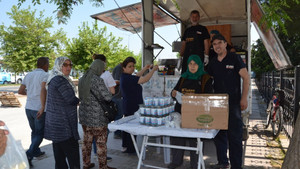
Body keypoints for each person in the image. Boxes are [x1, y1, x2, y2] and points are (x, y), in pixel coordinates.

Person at [207, 34, 250, 169]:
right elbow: (205, 79)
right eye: (214, 44)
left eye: (220, 43)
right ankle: (223, 163)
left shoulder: (234, 58)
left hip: (234, 104)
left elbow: (246, 78)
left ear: (226, 44)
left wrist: (244, 98)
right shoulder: (213, 62)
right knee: (218, 135)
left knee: (235, 137)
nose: (217, 46)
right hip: (217, 104)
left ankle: (236, 166)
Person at [168, 55, 213, 169]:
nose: (192, 66)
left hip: (196, 113)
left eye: (195, 64)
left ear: (200, 65)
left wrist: (192, 99)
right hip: (180, 113)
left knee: (195, 140)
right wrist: (173, 93)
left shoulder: (205, 78)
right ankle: (176, 161)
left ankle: (195, 164)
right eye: (190, 64)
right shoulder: (183, 77)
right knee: (177, 137)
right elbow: (175, 92)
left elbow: (208, 97)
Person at [78, 59, 116, 169]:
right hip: (98, 117)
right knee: (101, 143)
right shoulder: (98, 80)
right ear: (98, 68)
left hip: (84, 116)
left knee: (86, 142)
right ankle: (103, 166)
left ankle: (86, 164)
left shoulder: (81, 79)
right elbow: (108, 97)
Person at [44, 57, 80, 169]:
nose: (68, 67)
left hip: (56, 125)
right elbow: (71, 99)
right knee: (73, 158)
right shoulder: (60, 80)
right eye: (65, 65)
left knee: (60, 159)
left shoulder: (54, 78)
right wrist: (82, 100)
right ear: (59, 66)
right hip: (64, 126)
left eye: (70, 65)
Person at [120, 57, 158, 154]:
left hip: (128, 104)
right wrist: (153, 70)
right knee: (132, 129)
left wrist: (145, 68)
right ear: (124, 68)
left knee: (127, 127)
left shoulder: (126, 77)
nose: (132, 68)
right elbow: (144, 79)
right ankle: (131, 149)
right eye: (129, 66)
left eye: (133, 66)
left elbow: (137, 76)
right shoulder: (128, 78)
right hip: (131, 106)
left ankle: (125, 147)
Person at [18, 57, 49, 166]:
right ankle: (29, 154)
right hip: (38, 108)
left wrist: (31, 94)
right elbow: (43, 90)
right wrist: (42, 106)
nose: (48, 66)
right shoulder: (45, 75)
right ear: (44, 65)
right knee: (39, 133)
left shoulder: (28, 75)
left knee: (34, 131)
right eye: (48, 64)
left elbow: (20, 91)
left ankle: (36, 151)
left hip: (29, 108)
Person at [92, 53, 115, 162]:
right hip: (103, 107)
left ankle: (96, 152)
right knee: (104, 131)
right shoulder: (107, 75)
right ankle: (101, 154)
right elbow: (112, 91)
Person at [111, 63, 123, 139]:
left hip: (116, 95)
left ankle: (117, 132)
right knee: (119, 115)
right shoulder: (119, 68)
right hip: (117, 96)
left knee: (118, 114)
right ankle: (117, 132)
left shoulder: (117, 67)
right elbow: (116, 81)